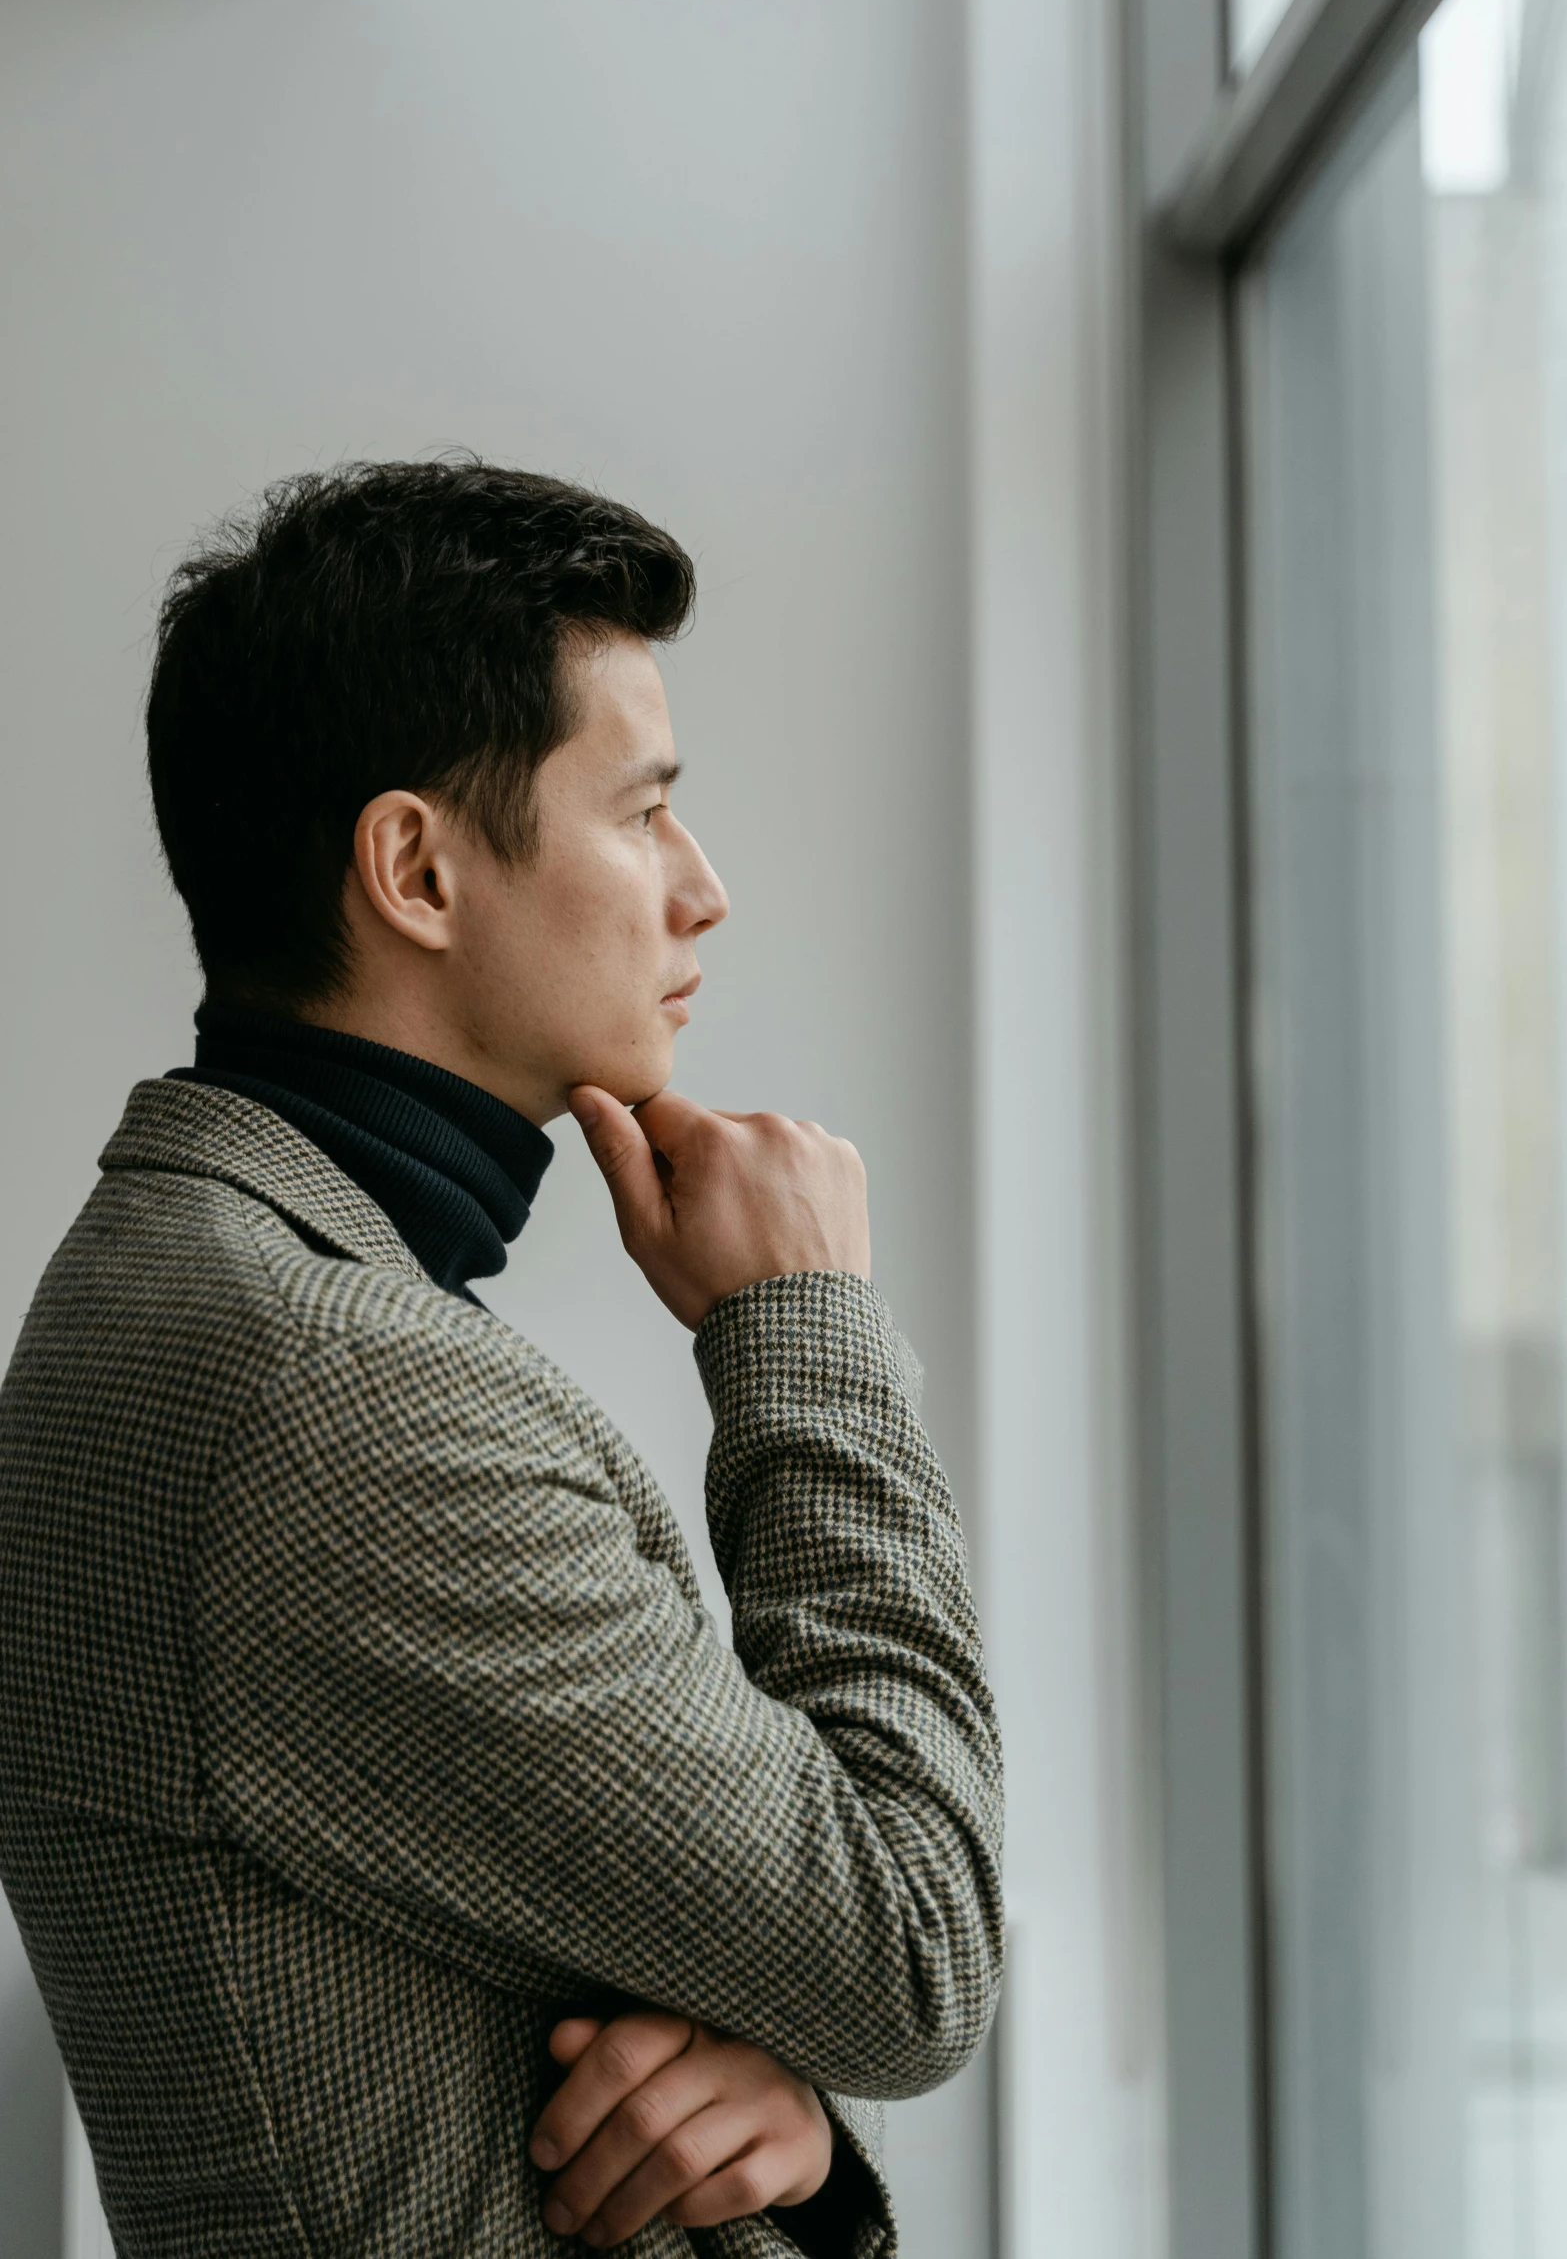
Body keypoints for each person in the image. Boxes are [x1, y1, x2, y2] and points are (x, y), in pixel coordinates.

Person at [0, 460, 1003, 2258]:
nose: (701, 891)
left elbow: (693, 1961)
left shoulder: (223, 1285)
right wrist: (806, 1336)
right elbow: (908, 1947)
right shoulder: (332, 1391)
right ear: (416, 868)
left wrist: (790, 2124)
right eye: (643, 814)